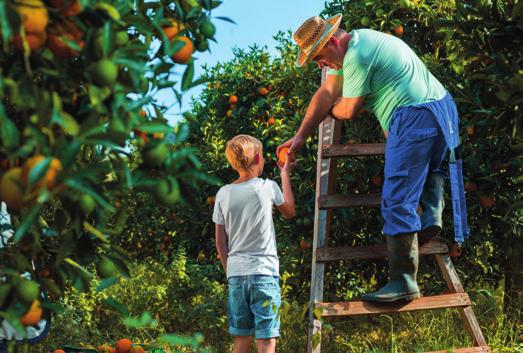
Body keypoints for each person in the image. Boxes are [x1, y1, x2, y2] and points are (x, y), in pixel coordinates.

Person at [277, 15, 468, 302]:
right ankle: (431, 215)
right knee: (429, 167)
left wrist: (333, 111)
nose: (319, 64)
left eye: (318, 56)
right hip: (442, 109)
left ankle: (404, 280)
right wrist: (301, 136)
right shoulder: (362, 39)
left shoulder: (357, 56)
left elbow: (348, 110)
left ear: (331, 40)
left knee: (396, 197)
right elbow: (326, 92)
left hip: (413, 116)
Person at [213, 135, 296, 353]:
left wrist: (230, 271)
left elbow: (220, 242)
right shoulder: (267, 187)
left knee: (241, 338)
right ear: (258, 157)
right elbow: (289, 211)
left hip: (237, 275)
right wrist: (285, 173)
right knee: (266, 339)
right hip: (264, 274)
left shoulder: (223, 193)